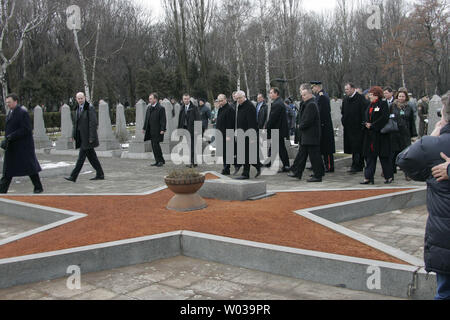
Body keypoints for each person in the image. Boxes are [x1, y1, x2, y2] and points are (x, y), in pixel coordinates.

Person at [397, 94, 450, 300]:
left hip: (444, 235)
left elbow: (403, 159)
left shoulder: (434, 144)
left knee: (445, 292)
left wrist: (433, 136)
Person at [0, 93, 43, 194]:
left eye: (9, 102)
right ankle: (2, 190)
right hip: (12, 147)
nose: (8, 104)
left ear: (15, 101)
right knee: (7, 170)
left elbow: (26, 129)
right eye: (6, 103)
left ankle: (38, 187)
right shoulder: (10, 112)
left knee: (30, 168)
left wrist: (11, 136)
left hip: (23, 147)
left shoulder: (22, 112)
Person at [65, 92, 104, 182]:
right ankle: (100, 174)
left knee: (81, 158)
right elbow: (75, 124)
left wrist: (92, 137)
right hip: (81, 137)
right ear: (76, 99)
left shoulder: (89, 107)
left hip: (87, 138)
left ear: (84, 98)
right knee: (92, 157)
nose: (80, 100)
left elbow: (93, 124)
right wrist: (73, 135)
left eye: (81, 98)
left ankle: (73, 176)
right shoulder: (77, 108)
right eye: (78, 98)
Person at [288, 84, 324, 182]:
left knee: (314, 156)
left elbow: (308, 120)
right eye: (302, 95)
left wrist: (300, 126)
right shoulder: (308, 104)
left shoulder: (311, 104)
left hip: (311, 135)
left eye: (304, 95)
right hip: (307, 135)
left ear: (309, 94)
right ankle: (297, 172)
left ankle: (318, 175)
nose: (302, 97)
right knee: (301, 155)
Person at [361, 86, 393, 185]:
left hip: (380, 135)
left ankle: (388, 176)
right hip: (370, 135)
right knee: (370, 157)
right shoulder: (370, 105)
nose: (369, 96)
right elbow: (366, 116)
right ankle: (368, 177)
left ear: (376, 95)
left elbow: (384, 118)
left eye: (371, 94)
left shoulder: (382, 104)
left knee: (383, 157)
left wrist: (373, 125)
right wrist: (366, 123)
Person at [389, 88, 417, 179]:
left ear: (406, 97)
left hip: (405, 134)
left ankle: (407, 173)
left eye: (403, 96)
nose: (401, 98)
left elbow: (412, 121)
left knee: (406, 154)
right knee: (393, 154)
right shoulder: (392, 106)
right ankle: (390, 172)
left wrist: (413, 135)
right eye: (400, 96)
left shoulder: (409, 107)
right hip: (394, 133)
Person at [342, 83, 369, 173]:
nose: (346, 91)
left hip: (358, 128)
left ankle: (358, 165)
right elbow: (343, 112)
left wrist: (362, 124)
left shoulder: (360, 98)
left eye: (348, 89)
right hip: (349, 128)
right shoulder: (345, 99)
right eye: (345, 89)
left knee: (358, 148)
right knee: (353, 148)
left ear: (353, 89)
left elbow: (364, 112)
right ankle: (356, 164)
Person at [234, 90, 261, 180]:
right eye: (236, 98)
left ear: (244, 96)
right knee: (247, 154)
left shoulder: (249, 106)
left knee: (246, 154)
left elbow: (252, 123)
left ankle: (245, 174)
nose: (238, 100)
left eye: (239, 98)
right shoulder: (241, 106)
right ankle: (258, 166)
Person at [311, 81, 336, 173]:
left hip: (324, 125)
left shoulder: (322, 97)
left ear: (317, 87)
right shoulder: (319, 96)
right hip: (321, 125)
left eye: (313, 87)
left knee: (327, 148)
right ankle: (325, 165)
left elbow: (323, 112)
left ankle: (329, 166)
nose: (312, 89)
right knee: (323, 147)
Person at [266, 87, 291, 173]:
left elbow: (273, 118)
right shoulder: (279, 102)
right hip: (278, 129)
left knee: (280, 148)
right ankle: (270, 163)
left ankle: (286, 165)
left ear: (276, 93)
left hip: (277, 129)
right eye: (270, 93)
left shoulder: (277, 104)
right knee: (275, 147)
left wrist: (267, 127)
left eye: (271, 93)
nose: (270, 94)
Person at [143, 93, 167, 167]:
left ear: (155, 99)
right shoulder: (149, 108)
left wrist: (163, 129)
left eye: (151, 98)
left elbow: (163, 120)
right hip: (150, 130)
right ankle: (157, 160)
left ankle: (161, 161)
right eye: (149, 98)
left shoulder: (161, 108)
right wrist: (144, 128)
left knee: (156, 146)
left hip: (158, 130)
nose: (149, 100)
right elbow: (146, 119)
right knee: (153, 146)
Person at [178, 93, 201, 168]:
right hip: (185, 129)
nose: (186, 100)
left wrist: (197, 130)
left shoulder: (194, 108)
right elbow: (180, 119)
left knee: (192, 146)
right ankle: (194, 162)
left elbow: (198, 119)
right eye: (185, 99)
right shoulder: (182, 107)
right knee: (189, 146)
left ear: (189, 99)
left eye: (187, 99)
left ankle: (192, 162)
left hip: (193, 130)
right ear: (183, 100)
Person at [215, 94, 236, 176]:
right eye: (218, 100)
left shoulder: (230, 109)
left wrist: (229, 135)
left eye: (221, 100)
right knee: (224, 152)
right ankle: (226, 167)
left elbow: (231, 123)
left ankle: (227, 168)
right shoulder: (220, 109)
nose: (220, 102)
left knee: (228, 152)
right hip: (221, 134)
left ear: (225, 100)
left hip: (227, 135)